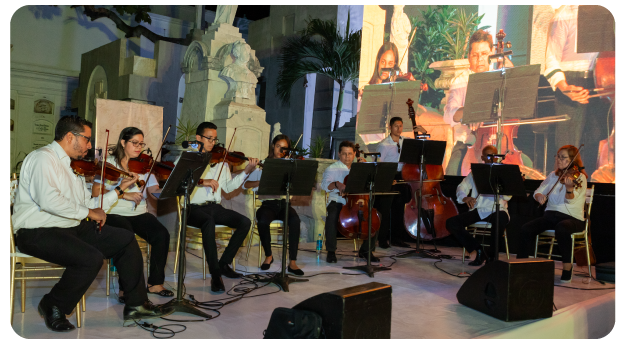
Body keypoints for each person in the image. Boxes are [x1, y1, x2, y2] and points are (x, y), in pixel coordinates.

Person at [11, 116, 173, 332]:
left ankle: (136, 305)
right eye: (87, 139)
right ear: (70, 136)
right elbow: (48, 201)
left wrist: (118, 190)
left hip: (70, 226)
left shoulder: (73, 167)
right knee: (91, 258)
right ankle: (52, 304)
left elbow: (89, 203)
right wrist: (89, 212)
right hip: (36, 230)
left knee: (125, 239)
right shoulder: (43, 158)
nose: (90, 145)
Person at [91, 127, 173, 303]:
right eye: (134, 143)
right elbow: (96, 192)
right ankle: (125, 288)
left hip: (139, 213)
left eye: (141, 144)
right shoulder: (110, 163)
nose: (139, 147)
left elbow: (154, 192)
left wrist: (171, 189)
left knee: (161, 234)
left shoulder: (144, 165)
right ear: (123, 142)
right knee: (127, 238)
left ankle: (155, 283)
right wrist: (124, 193)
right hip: (114, 213)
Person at [181, 122, 259, 293]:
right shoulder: (188, 158)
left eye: (215, 139)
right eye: (209, 138)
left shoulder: (221, 162)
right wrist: (203, 181)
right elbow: (180, 182)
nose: (213, 143)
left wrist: (246, 171)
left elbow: (229, 188)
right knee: (208, 221)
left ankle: (223, 264)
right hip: (192, 209)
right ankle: (215, 275)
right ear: (198, 138)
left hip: (215, 207)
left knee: (244, 222)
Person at [544, 5, 606, 177]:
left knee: (596, 144)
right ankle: (563, 196)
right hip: (571, 83)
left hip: (601, 79)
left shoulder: (605, 15)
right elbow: (551, 58)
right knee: (569, 150)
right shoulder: (564, 15)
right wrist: (564, 87)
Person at [444, 30, 513, 176]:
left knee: (525, 166)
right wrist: (471, 112)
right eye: (475, 55)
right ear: (469, 57)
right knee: (452, 175)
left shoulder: (501, 77)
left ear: (492, 53)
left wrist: (509, 69)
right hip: (468, 144)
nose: (480, 59)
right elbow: (449, 115)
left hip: (501, 143)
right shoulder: (460, 81)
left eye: (484, 54)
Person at [517, 145, 587, 283]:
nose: (559, 160)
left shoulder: (580, 178)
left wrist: (569, 189)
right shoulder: (553, 175)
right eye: (558, 156)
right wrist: (539, 197)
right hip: (550, 216)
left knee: (562, 227)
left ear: (572, 159)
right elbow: (539, 190)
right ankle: (521, 266)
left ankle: (567, 267)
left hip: (572, 218)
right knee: (526, 229)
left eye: (563, 157)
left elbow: (570, 202)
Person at [243, 135, 304, 275]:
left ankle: (292, 262)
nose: (280, 150)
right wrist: (260, 182)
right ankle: (268, 256)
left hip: (284, 203)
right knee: (263, 221)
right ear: (273, 146)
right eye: (278, 146)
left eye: (284, 148)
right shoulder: (263, 164)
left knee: (295, 220)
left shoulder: (290, 165)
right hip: (267, 204)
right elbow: (246, 184)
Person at [445, 145, 511, 266]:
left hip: (499, 209)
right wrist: (465, 197)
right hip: (479, 209)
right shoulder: (476, 172)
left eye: (494, 156)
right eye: (488, 156)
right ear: (482, 157)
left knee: (500, 220)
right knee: (451, 223)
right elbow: (461, 187)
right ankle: (478, 249)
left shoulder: (503, 172)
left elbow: (507, 197)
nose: (492, 159)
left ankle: (491, 256)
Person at [321, 141, 378, 263]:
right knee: (332, 216)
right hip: (337, 200)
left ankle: (366, 250)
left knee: (376, 217)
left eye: (350, 154)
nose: (347, 157)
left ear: (355, 154)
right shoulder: (332, 168)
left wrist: (367, 168)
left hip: (358, 201)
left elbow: (371, 184)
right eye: (344, 154)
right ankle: (331, 251)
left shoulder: (360, 167)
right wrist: (337, 184)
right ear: (339, 154)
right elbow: (324, 185)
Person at [374, 117, 412, 248]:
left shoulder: (405, 142)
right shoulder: (384, 144)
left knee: (399, 208)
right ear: (390, 127)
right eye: (396, 126)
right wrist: (388, 178)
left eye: (401, 126)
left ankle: (396, 238)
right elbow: (379, 164)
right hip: (389, 175)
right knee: (386, 209)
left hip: (402, 175)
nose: (399, 129)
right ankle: (382, 239)